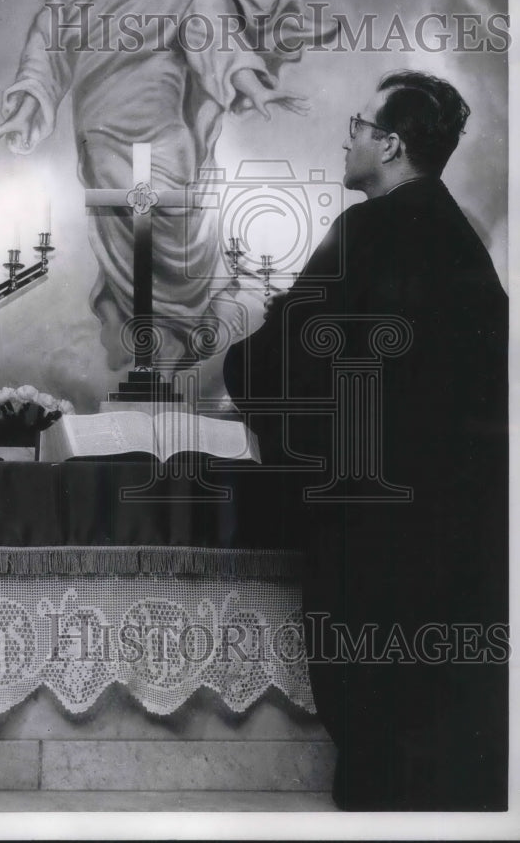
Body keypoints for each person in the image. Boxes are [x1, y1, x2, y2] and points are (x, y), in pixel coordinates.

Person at [224, 71, 508, 810]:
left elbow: (283, 359)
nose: (346, 136)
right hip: (467, 531)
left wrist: (244, 354)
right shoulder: (461, 239)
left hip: (376, 530)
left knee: (379, 735)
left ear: (389, 143)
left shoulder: (367, 230)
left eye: (359, 124)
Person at [0, 0, 334, 369]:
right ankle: (149, 355)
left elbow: (217, 38)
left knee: (173, 238)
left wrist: (253, 84)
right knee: (125, 239)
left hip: (165, 137)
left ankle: (168, 348)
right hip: (102, 136)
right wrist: (24, 109)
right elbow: (46, 51)